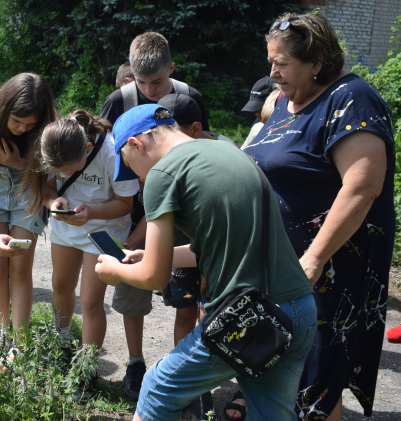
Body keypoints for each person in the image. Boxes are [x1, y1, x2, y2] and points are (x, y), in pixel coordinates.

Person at [95, 103, 316, 421]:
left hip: (247, 319)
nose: (138, 180)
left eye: (130, 168)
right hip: (298, 309)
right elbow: (217, 242)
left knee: (158, 388)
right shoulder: (224, 148)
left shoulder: (163, 173)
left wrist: (115, 270)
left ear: (136, 144)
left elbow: (155, 279)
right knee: (271, 414)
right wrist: (158, 255)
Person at [244, 12, 395, 420]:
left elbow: (362, 187)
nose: (272, 72)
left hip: (325, 269)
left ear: (317, 61)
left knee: (317, 382)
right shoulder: (288, 99)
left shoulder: (351, 98)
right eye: (270, 61)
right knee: (285, 375)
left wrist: (314, 257)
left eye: (282, 64)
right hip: (280, 263)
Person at [100, 31, 210, 400]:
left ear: (172, 69)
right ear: (129, 72)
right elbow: (107, 159)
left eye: (157, 81)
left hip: (180, 215)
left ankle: (188, 369)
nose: (148, 89)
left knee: (187, 295)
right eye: (141, 81)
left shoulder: (189, 97)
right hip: (134, 214)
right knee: (133, 290)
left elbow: (201, 148)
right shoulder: (118, 100)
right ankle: (135, 362)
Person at [39, 109, 139, 395]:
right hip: (67, 227)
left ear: (86, 148)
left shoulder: (112, 152)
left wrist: (91, 212)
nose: (66, 175)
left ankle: (87, 368)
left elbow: (125, 203)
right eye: (63, 171)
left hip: (104, 231)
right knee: (60, 286)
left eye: (71, 169)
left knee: (91, 302)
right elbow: (47, 188)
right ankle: (61, 344)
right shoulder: (55, 143)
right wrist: (53, 203)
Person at [0, 73, 56, 332]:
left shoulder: (48, 123)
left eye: (30, 124)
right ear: (5, 108)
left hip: (28, 187)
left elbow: (49, 173)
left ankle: (20, 343)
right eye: (17, 121)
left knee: (20, 268)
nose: (22, 129)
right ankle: (0, 338)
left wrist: (20, 164)